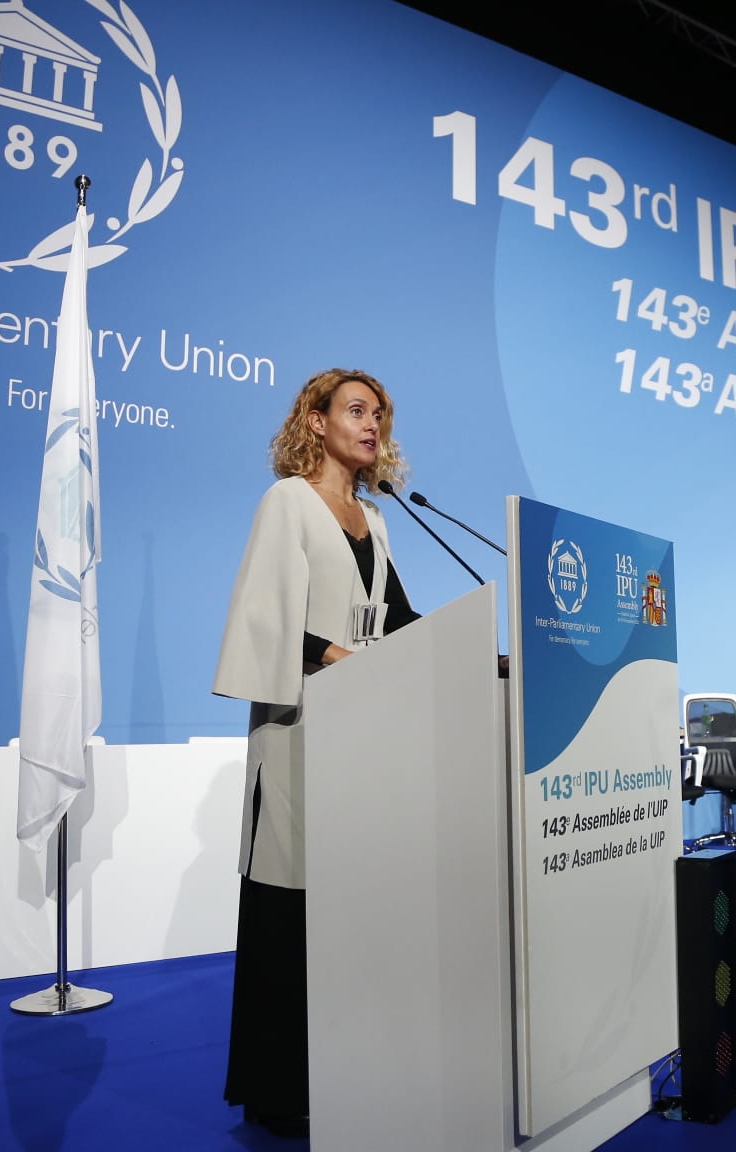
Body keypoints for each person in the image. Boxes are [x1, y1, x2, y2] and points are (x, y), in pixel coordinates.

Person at [211, 368, 420, 1137]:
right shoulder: (288, 503)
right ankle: (275, 1089)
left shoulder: (376, 518)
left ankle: (342, 1062)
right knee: (287, 904)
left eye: (380, 415)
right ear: (317, 418)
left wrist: (476, 651)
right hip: (299, 733)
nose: (372, 426)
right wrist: (334, 656)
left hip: (358, 738)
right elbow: (267, 618)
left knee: (346, 909)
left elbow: (397, 617)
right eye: (357, 411)